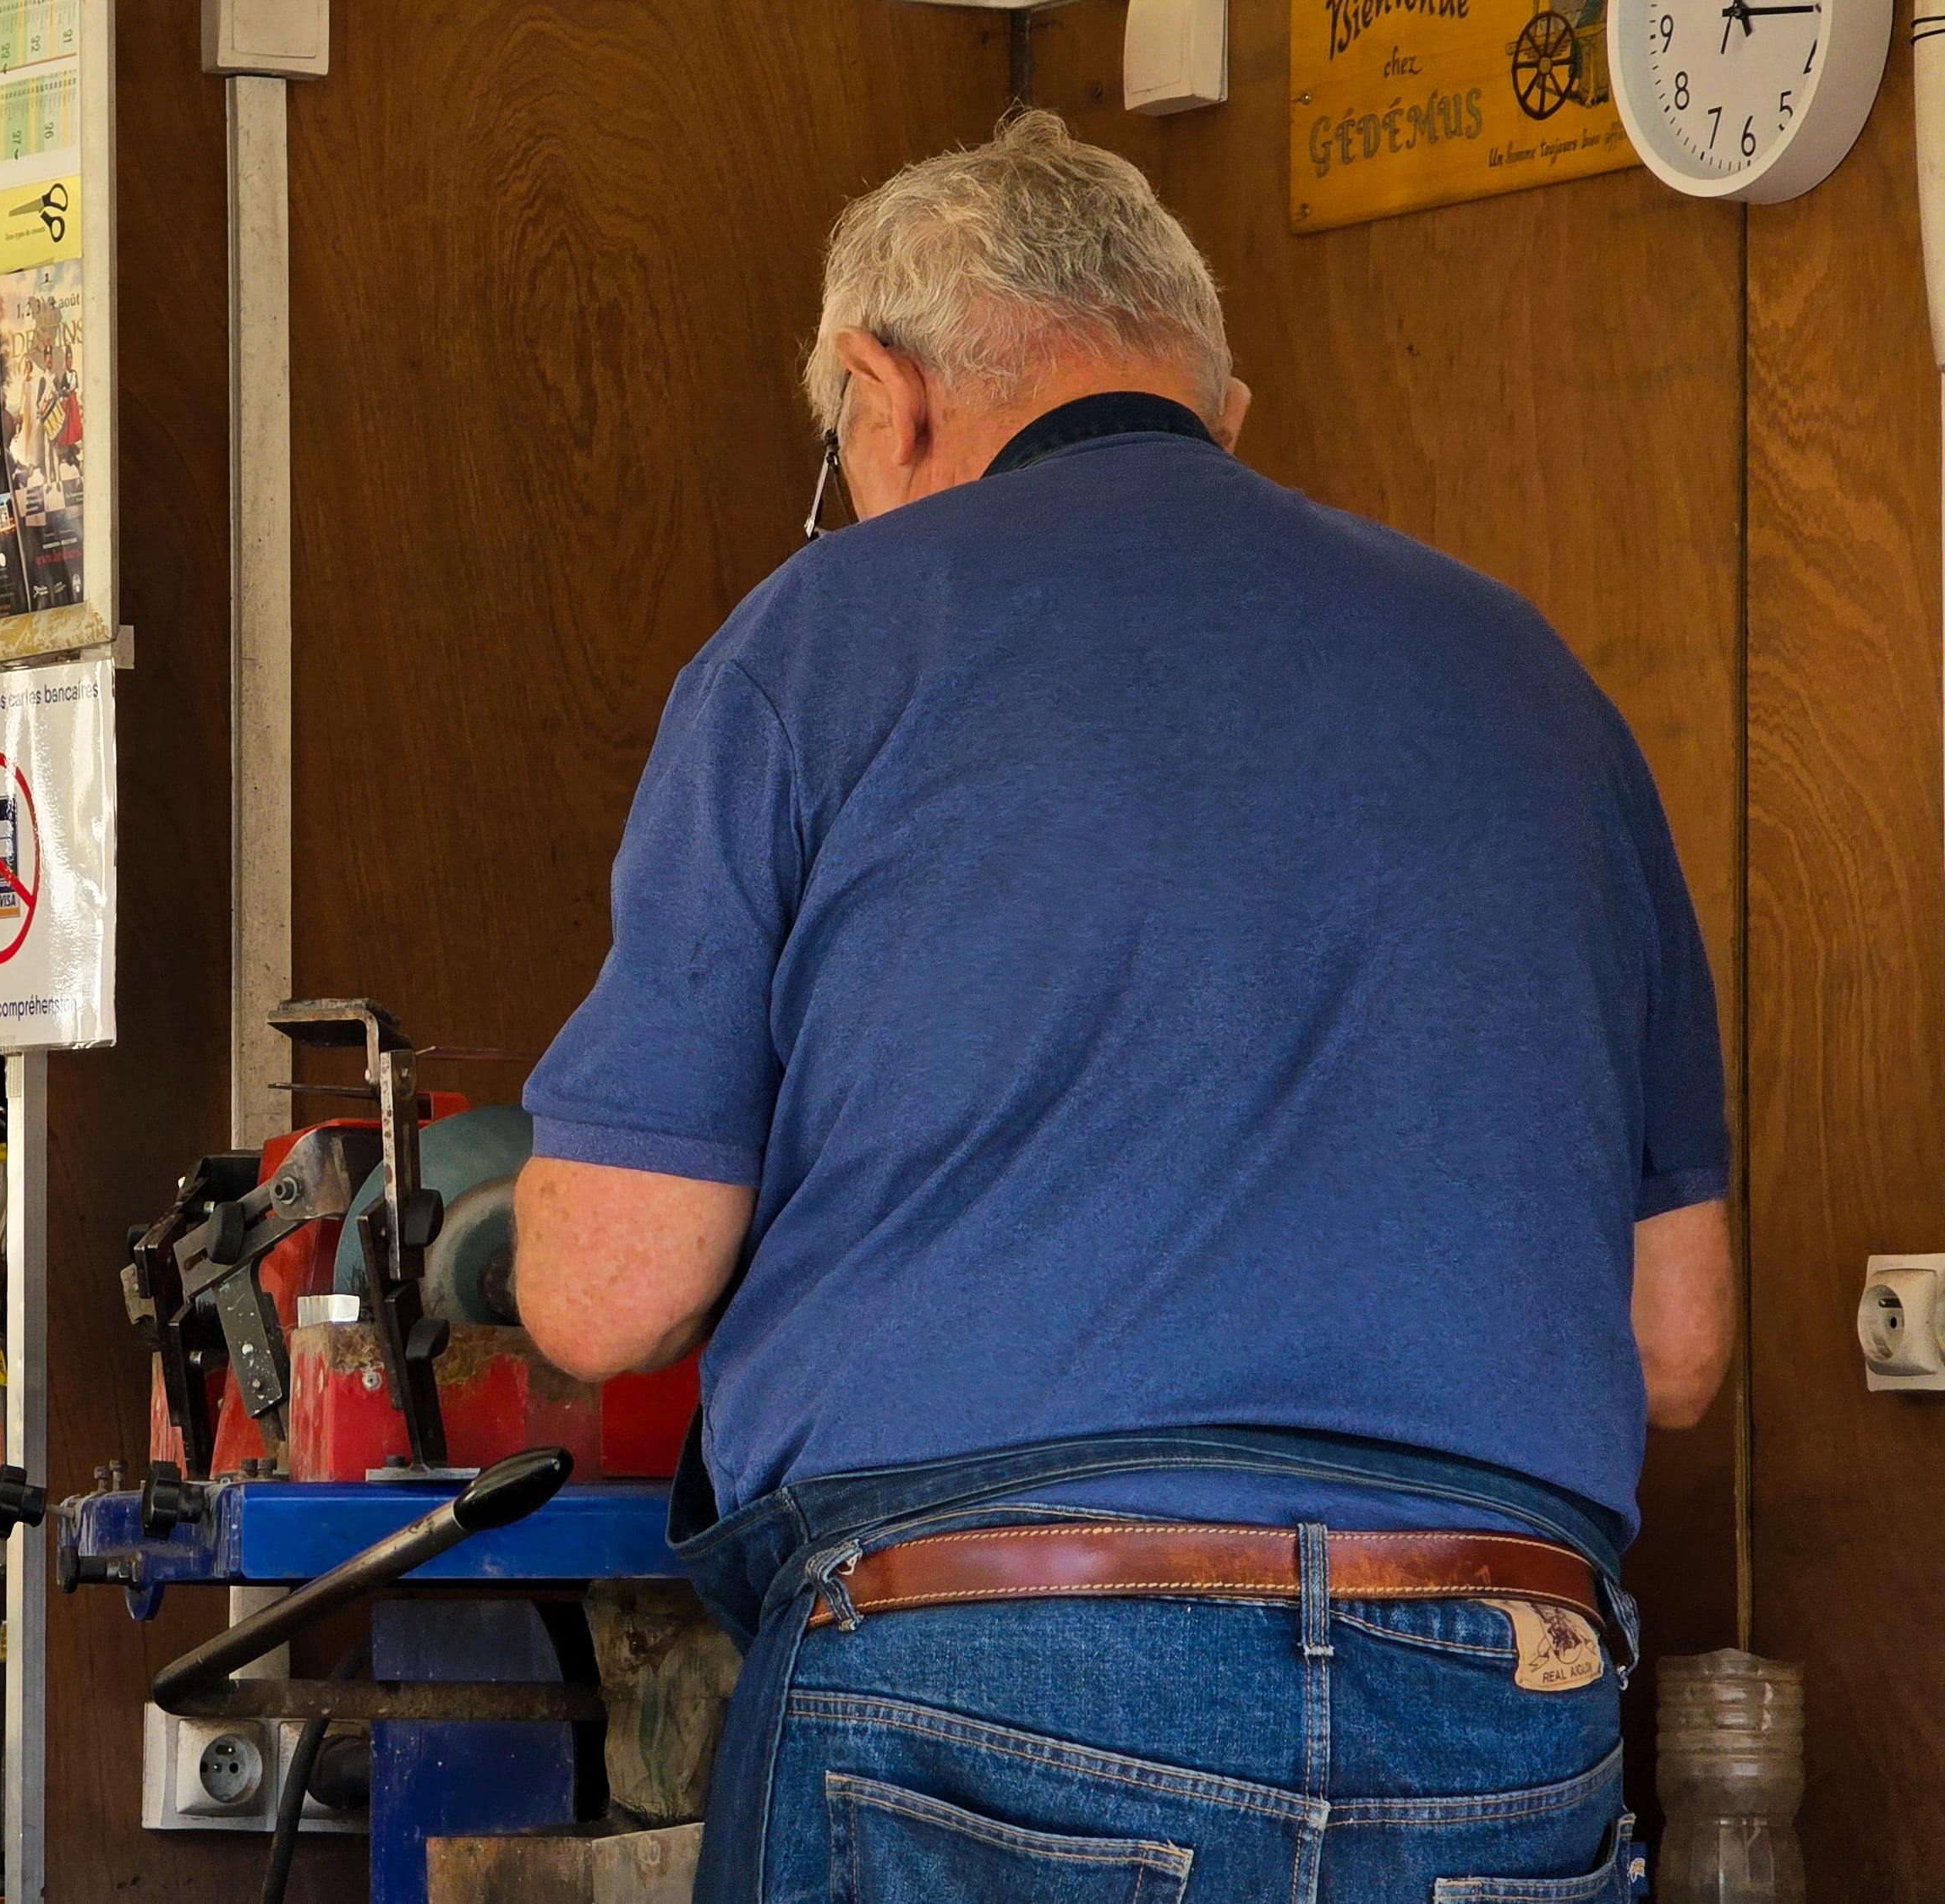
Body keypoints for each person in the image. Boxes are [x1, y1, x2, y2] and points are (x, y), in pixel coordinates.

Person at [512, 110, 1729, 1902]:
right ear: (1215, 413)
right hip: (1490, 1694)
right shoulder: (1530, 678)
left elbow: (606, 1289)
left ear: (882, 395)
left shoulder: (818, 636)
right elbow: (1676, 1341)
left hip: (985, 1678)